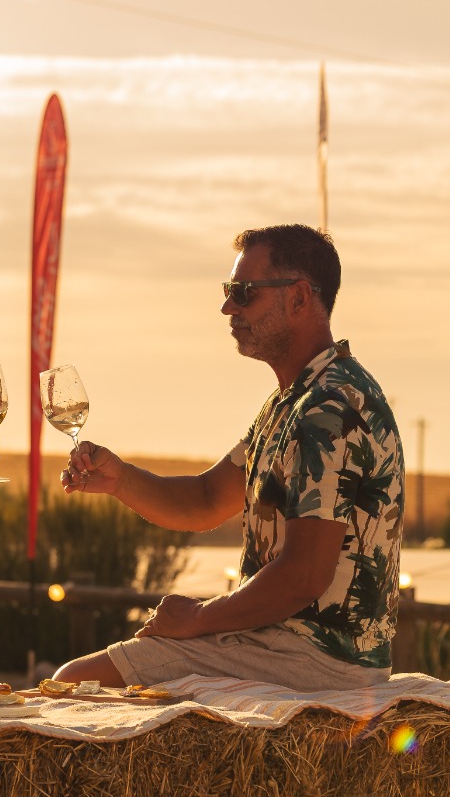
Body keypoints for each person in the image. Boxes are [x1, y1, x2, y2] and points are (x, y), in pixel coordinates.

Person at [54, 224, 405, 692]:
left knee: (75, 682)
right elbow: (205, 499)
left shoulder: (329, 409)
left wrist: (197, 618)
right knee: (82, 681)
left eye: (243, 293)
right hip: (282, 645)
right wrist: (121, 480)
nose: (228, 308)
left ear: (299, 298)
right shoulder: (294, 401)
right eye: (228, 291)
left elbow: (304, 576)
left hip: (317, 660)